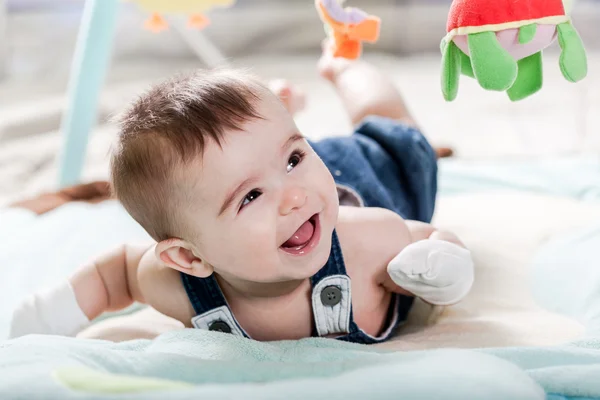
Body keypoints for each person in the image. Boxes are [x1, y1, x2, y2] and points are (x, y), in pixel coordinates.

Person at [9, 50, 472, 344]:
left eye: (292, 157)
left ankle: (346, 66)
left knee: (393, 131)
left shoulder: (365, 241)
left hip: (364, 177)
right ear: (188, 258)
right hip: (300, 169)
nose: (291, 198)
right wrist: (47, 319)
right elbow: (116, 276)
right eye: (249, 197)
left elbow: (425, 234)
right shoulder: (177, 285)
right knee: (265, 155)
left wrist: (444, 264)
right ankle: (273, 127)